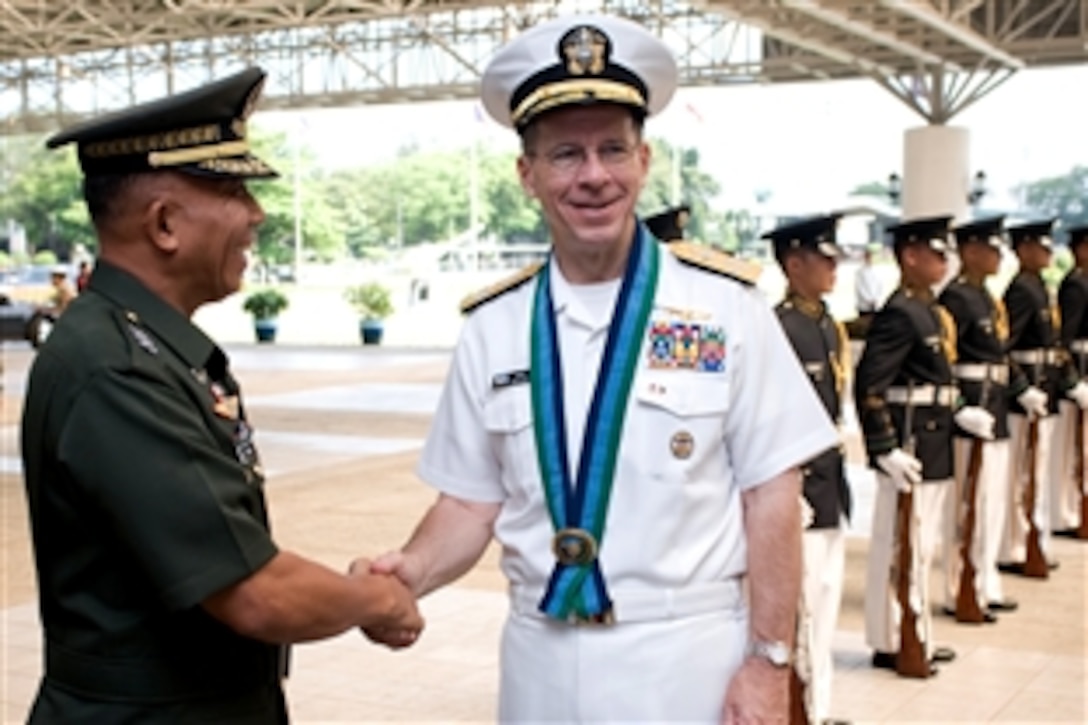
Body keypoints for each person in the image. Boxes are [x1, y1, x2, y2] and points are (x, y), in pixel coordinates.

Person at [367, 14, 839, 723]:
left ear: (643, 162)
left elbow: (772, 492)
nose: (594, 176)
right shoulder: (494, 326)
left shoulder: (724, 306)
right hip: (539, 659)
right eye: (565, 154)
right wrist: (410, 572)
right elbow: (469, 500)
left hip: (688, 656)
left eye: (612, 149)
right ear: (526, 174)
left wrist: (770, 661)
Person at [21, 67, 422, 723]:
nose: (256, 214)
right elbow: (255, 593)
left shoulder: (145, 346)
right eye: (234, 189)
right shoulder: (116, 369)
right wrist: (376, 600)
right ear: (166, 223)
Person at [854, 215, 962, 676]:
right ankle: (891, 637)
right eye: (935, 253)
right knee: (899, 543)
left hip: (934, 437)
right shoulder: (901, 311)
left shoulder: (931, 309)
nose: (943, 262)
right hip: (911, 441)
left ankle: (914, 631)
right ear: (910, 256)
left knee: (921, 544)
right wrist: (884, 448)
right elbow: (870, 387)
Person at [764, 214, 852, 723]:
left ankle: (817, 707)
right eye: (824, 259)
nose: (833, 268)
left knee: (825, 599)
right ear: (794, 263)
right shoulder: (781, 327)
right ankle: (801, 710)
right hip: (801, 485)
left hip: (829, 482)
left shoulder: (824, 323)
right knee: (803, 604)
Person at [938, 216, 1018, 621]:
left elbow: (1001, 355)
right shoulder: (956, 298)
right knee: (969, 507)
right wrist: (958, 408)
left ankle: (985, 580)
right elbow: (945, 365)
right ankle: (961, 588)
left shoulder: (986, 296)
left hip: (996, 406)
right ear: (970, 252)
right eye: (991, 248)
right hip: (973, 408)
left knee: (993, 503)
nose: (999, 256)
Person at [998, 219, 1064, 574]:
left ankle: (1031, 540)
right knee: (1020, 476)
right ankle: (1015, 544)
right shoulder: (1021, 290)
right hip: (1027, 394)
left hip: (1044, 387)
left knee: (1036, 473)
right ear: (1023, 250)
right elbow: (1004, 349)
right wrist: (1021, 388)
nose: (1048, 252)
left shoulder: (1038, 286)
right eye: (1041, 246)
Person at [1053, 225, 1088, 536]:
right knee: (1073, 449)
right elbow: (1064, 339)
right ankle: (1069, 512)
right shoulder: (1076, 285)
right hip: (1080, 368)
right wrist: (1072, 380)